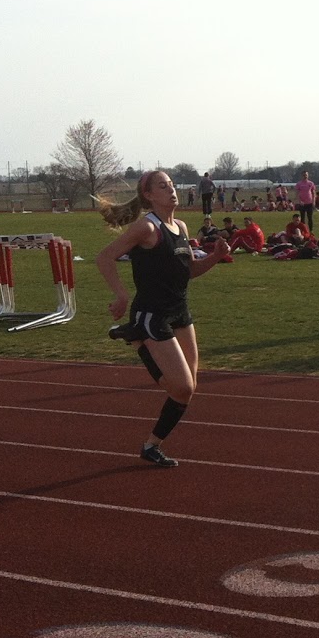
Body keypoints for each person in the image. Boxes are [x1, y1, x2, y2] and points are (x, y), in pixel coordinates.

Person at [95, 171, 230, 468]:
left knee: (187, 388)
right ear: (149, 195)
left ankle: (151, 445)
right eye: (163, 186)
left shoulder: (180, 226)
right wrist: (121, 296)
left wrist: (216, 256)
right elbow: (104, 258)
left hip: (180, 311)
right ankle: (138, 339)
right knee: (181, 388)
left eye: (171, 185)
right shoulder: (145, 227)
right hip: (152, 313)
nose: (171, 190)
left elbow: (189, 272)